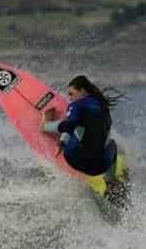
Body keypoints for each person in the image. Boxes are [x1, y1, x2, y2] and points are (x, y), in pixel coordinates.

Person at [41, 74, 129, 202]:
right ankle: (110, 183)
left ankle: (45, 126)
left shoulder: (77, 106)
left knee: (74, 125)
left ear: (82, 91)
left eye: (71, 94)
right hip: (100, 167)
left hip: (75, 159)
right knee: (112, 145)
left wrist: (62, 139)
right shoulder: (104, 106)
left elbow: (69, 124)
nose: (69, 98)